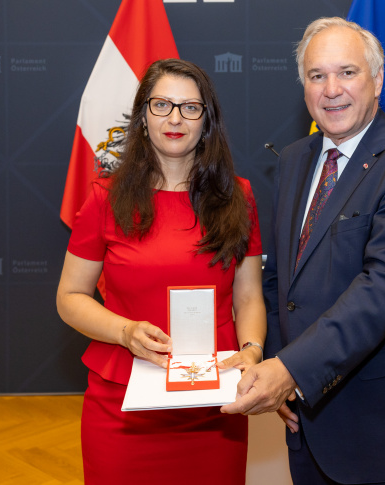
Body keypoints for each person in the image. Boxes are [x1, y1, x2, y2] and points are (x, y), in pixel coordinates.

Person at [221, 17, 385, 485]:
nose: (331, 89)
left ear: (376, 81)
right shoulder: (293, 159)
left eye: (347, 72)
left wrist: (290, 370)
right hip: (307, 420)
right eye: (316, 76)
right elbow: (280, 281)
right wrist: (273, 360)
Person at [57, 58, 266, 485]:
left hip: (214, 407)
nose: (175, 118)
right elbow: (70, 298)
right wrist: (125, 332)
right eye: (161, 105)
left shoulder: (238, 197)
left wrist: (252, 349)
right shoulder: (104, 198)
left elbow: (247, 296)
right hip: (123, 405)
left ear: (206, 121)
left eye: (190, 107)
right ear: (142, 115)